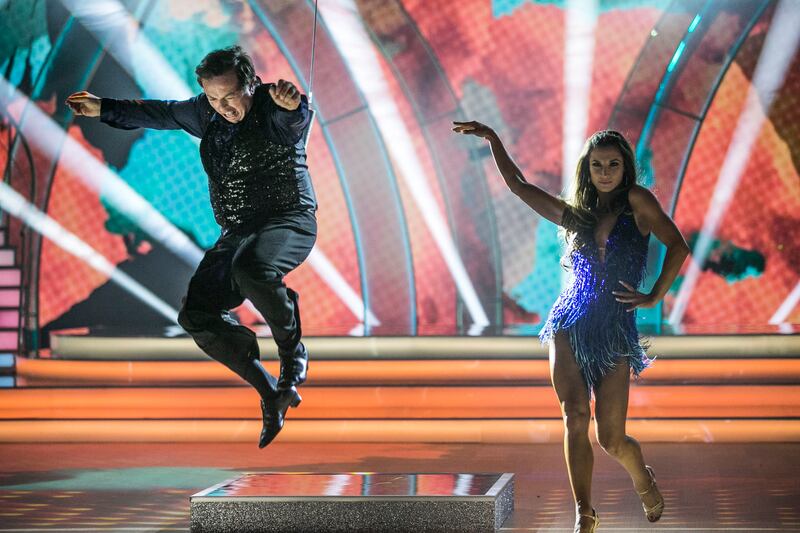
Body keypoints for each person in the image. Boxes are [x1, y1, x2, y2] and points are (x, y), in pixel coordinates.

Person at [67, 46, 317, 449]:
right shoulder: (205, 111)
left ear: (251, 82)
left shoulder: (273, 106)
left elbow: (294, 120)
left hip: (288, 219)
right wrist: (102, 108)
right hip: (237, 231)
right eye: (214, 98)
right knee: (196, 314)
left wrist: (293, 108)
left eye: (231, 96)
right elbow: (160, 113)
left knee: (252, 270)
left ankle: (293, 354)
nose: (224, 107)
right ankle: (270, 392)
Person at [453, 122, 689, 532]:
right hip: (569, 321)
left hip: (614, 330)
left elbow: (678, 245)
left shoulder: (637, 202)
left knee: (612, 438)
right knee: (574, 415)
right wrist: (494, 140)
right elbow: (519, 186)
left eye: (613, 164)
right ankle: (584, 513)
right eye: (597, 165)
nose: (605, 171)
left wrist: (653, 296)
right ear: (587, 169)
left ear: (625, 167)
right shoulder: (574, 213)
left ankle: (643, 479)